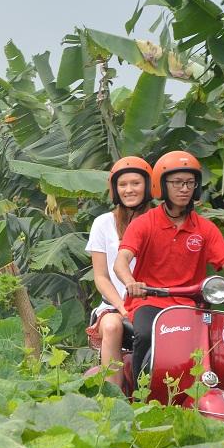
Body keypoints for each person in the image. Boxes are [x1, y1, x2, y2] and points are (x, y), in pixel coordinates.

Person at [113, 150, 224, 381]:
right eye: (177, 182)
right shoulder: (144, 224)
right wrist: (131, 283)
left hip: (194, 306)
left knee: (215, 346)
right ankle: (141, 396)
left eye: (190, 182)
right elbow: (122, 261)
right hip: (150, 301)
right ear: (162, 185)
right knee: (145, 335)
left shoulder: (205, 228)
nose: (184, 188)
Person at [85, 156, 153, 388]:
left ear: (148, 185)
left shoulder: (160, 220)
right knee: (113, 326)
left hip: (154, 303)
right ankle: (114, 398)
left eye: (136, 183)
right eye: (123, 185)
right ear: (115, 189)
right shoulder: (104, 223)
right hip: (116, 305)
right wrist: (124, 308)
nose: (129, 189)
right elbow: (101, 276)